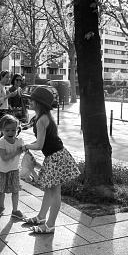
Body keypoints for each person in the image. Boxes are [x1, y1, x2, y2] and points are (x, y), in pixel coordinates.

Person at [21, 87, 80, 234]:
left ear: (39, 103)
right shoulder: (42, 118)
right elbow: (42, 141)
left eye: (32, 99)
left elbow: (39, 145)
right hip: (55, 156)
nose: (29, 101)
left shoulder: (42, 120)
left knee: (55, 193)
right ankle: (41, 217)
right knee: (48, 189)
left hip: (55, 158)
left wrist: (25, 146)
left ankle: (50, 225)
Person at [0, 114, 25, 219]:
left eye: (13, 130)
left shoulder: (19, 141)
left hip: (14, 169)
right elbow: (4, 157)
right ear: (1, 130)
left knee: (15, 190)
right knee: (1, 190)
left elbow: (23, 151)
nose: (10, 133)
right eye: (7, 130)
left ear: (17, 129)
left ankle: (15, 210)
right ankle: (1, 206)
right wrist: (17, 151)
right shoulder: (1, 142)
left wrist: (25, 149)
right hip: (2, 170)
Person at [0, 70, 18, 144]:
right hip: (0, 111)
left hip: (4, 110)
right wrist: (8, 96)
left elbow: (4, 99)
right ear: (2, 77)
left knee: (3, 130)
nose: (8, 79)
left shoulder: (3, 87)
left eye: (9, 77)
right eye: (6, 77)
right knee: (0, 130)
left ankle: (1, 146)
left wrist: (7, 95)